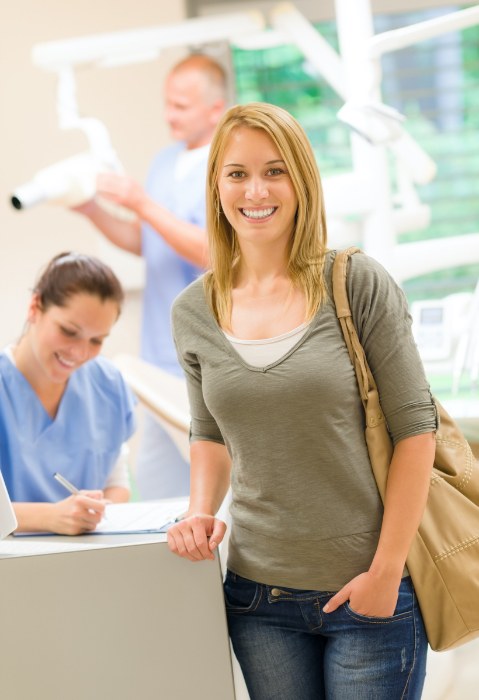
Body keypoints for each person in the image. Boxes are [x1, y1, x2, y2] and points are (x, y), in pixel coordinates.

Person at [167, 103, 438, 699]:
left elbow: (416, 431)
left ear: (303, 181)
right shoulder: (192, 310)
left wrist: (386, 573)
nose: (255, 190)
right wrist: (198, 509)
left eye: (275, 170)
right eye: (236, 173)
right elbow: (209, 431)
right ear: (217, 186)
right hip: (257, 597)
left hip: (369, 592)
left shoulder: (356, 282)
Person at [73, 53, 228, 501]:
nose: (168, 115)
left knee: (216, 495)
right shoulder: (164, 161)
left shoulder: (226, 165)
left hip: (209, 358)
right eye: (167, 103)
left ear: (214, 109)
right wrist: (91, 209)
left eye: (180, 106)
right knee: (159, 492)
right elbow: (148, 242)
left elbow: (214, 252)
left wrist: (140, 203)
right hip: (158, 356)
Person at [0, 252, 136, 535]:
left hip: (86, 559)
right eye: (69, 331)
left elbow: (117, 478)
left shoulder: (107, 384)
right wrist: (49, 517)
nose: (80, 352)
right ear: (35, 307)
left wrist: (99, 511)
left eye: (96, 340)